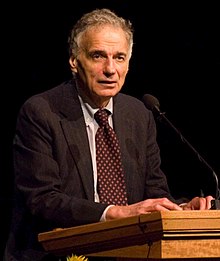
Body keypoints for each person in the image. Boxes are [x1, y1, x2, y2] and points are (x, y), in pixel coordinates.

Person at [4, 8, 214, 261]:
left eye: (120, 57)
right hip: (57, 253)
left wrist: (177, 209)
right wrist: (114, 213)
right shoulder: (41, 112)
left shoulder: (138, 113)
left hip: (128, 252)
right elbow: (42, 200)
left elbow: (154, 191)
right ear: (74, 61)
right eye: (98, 56)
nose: (110, 69)